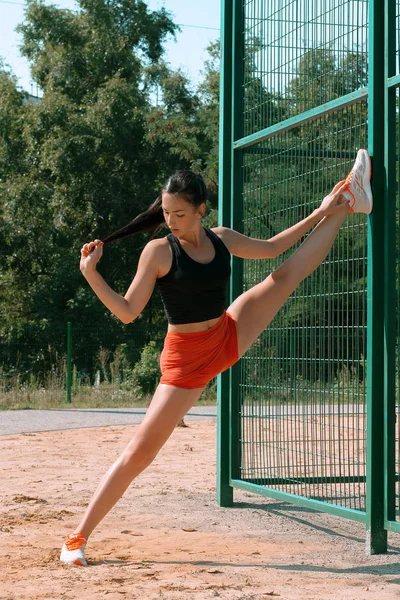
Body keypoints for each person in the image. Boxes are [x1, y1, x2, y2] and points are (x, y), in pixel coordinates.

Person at [60, 149, 373, 566]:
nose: (170, 221)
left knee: (283, 276)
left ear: (201, 210)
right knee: (140, 453)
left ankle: (348, 202)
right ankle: (76, 539)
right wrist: (91, 274)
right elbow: (127, 311)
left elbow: (276, 246)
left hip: (225, 333)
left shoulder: (222, 238)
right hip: (185, 362)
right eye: (166, 213)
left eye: (180, 214)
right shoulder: (158, 251)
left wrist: (320, 211)